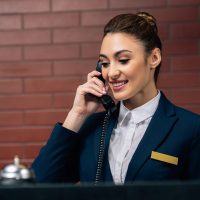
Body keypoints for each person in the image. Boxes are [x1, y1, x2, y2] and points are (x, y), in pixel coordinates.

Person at [32, 12, 200, 184]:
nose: (111, 73)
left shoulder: (191, 128)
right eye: (105, 63)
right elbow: (40, 183)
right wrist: (77, 114)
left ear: (154, 58)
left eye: (123, 60)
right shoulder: (92, 127)